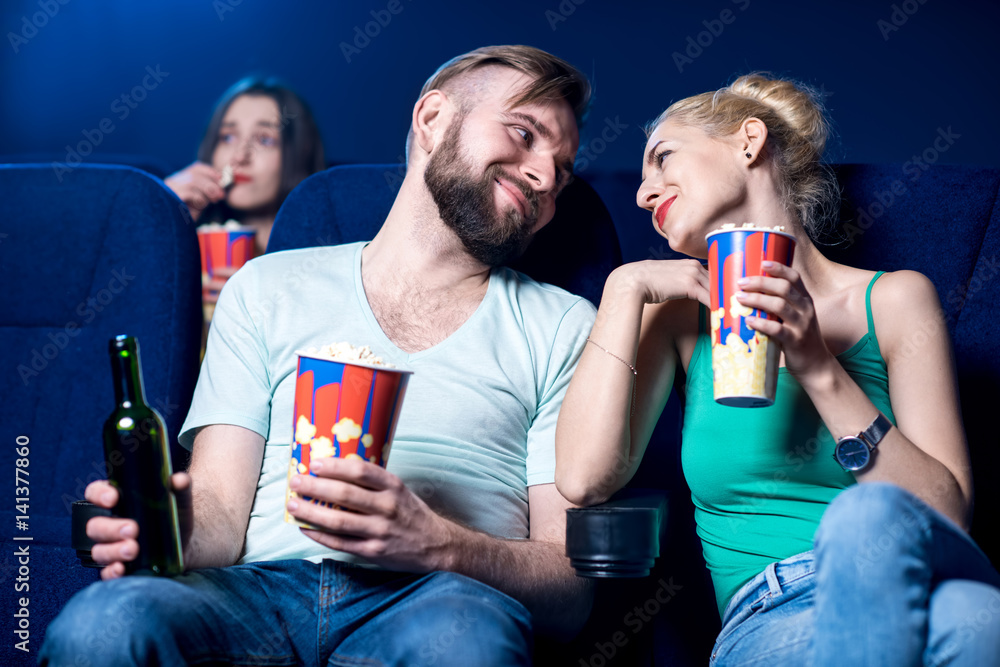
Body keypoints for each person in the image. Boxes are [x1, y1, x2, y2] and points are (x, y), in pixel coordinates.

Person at [41, 45, 594, 666]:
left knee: (465, 647)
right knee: (102, 625)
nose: (545, 176)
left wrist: (437, 545)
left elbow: (570, 593)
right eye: (524, 134)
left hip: (441, 601)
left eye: (562, 171)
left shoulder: (565, 325)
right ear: (433, 120)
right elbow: (222, 513)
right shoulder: (266, 286)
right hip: (254, 593)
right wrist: (161, 530)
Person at [555, 74, 1000, 665]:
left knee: (923, 572)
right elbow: (584, 480)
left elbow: (947, 515)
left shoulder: (894, 301)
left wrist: (817, 365)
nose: (643, 192)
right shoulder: (675, 318)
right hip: (778, 611)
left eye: (663, 158)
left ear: (749, 142)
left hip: (925, 583)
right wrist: (623, 288)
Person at [165, 77, 325, 299]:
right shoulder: (183, 241)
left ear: (300, 153)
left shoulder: (325, 259)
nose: (240, 156)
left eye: (265, 140)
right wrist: (160, 214)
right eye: (228, 137)